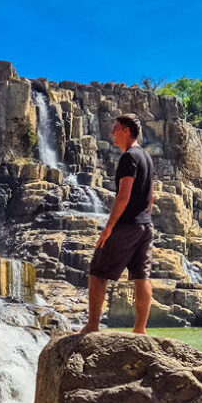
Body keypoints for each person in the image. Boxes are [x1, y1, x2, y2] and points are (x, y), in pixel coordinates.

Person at [79, 113, 155, 334]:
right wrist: (145, 218)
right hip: (145, 226)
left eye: (116, 128)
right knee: (142, 276)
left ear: (126, 130)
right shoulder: (146, 158)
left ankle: (93, 325)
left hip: (127, 225)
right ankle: (140, 330)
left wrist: (109, 227)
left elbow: (124, 195)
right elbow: (151, 197)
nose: (112, 132)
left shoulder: (129, 157)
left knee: (97, 272)